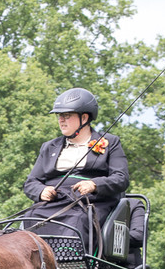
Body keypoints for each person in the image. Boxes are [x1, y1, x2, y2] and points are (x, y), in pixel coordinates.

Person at [22, 88, 130, 251]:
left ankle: (72, 267)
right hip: (55, 201)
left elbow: (121, 178)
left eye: (67, 116)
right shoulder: (50, 146)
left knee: (78, 220)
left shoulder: (110, 142)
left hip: (89, 203)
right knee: (30, 217)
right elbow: (31, 182)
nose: (61, 121)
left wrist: (95, 185)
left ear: (84, 117)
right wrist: (41, 191)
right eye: (59, 116)